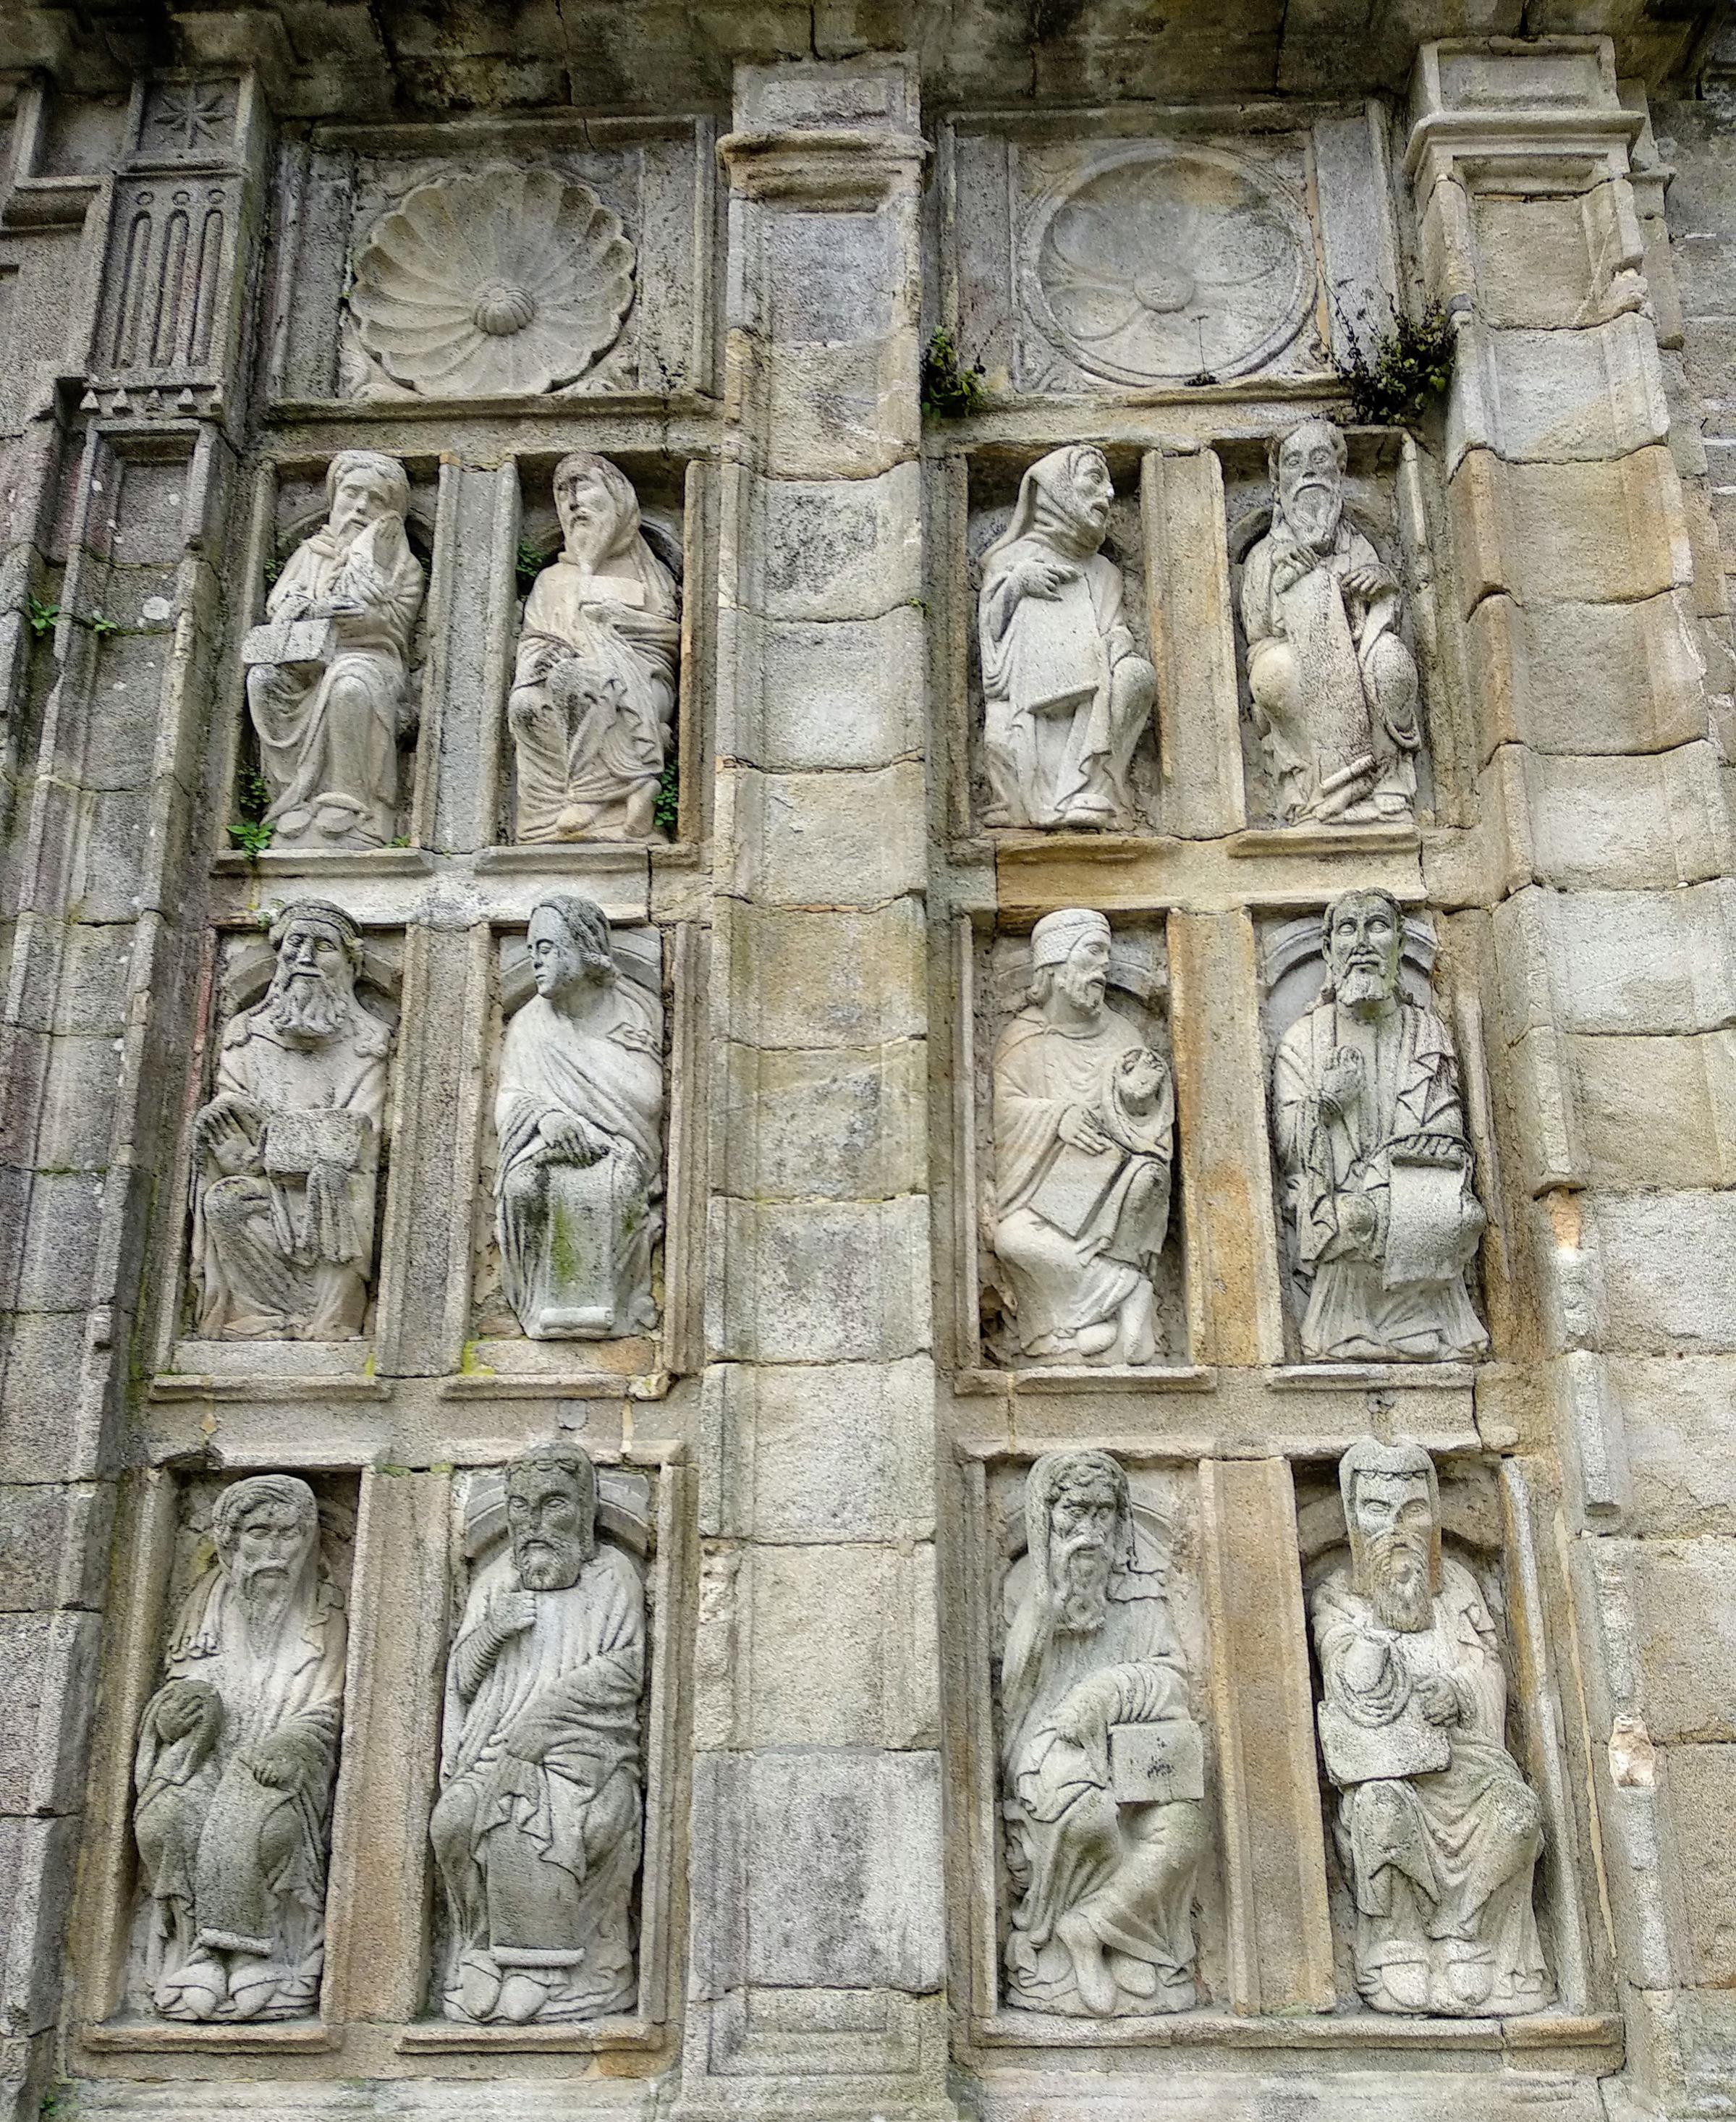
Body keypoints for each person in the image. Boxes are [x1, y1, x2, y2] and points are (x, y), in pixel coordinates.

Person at [1312, 1437, 1550, 2016]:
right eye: (1377, 1510)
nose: (1397, 1528)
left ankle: (1465, 1932)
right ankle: (1396, 1942)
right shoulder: (1339, 1594)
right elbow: (1344, 1673)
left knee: (1518, 1814)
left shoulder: (1459, 1588)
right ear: (1353, 1516)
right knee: (1381, 1809)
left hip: (1467, 1764)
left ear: (1433, 1514)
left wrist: (1460, 1691)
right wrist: (1378, 1628)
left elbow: (1485, 1668)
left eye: (1413, 1509)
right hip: (1389, 1769)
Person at [431, 1442, 645, 2024]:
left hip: (583, 1750)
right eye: (522, 1508)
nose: (536, 1524)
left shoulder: (612, 1576)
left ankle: (541, 1965)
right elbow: (462, 1678)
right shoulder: (497, 1580)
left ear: (583, 1509)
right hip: (495, 1745)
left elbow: (624, 1669)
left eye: (554, 1505)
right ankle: (482, 1948)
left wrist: (547, 1717)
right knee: (452, 1821)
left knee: (523, 1817)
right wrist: (492, 1632)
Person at [132, 1475, 346, 2022]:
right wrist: (171, 1716)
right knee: (164, 1818)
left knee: (256, 1817)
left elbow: (329, 1708)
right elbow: (178, 1689)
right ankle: (198, 1950)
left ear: (308, 1540)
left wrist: (292, 1743)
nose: (274, 1550)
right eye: (259, 1533)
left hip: (281, 1769)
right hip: (207, 1758)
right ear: (230, 1542)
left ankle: (251, 1953)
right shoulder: (202, 1610)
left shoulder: (325, 1617)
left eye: (288, 1534)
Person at [1001, 1450, 1205, 2017]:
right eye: (1074, 1511)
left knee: (1183, 1827)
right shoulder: (1025, 1591)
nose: (1088, 1529)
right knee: (1090, 1815)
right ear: (1048, 1517)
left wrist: (1111, 1690)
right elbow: (1013, 1694)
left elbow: (1171, 1677)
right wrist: (1047, 1607)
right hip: (1050, 1745)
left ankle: (1101, 1929)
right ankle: (1058, 1942)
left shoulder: (1141, 1594)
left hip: (1130, 1748)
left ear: (1119, 1522)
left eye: (1101, 1513)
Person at [1272, 888, 1487, 1361]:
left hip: (1409, 1183)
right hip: (1335, 1192)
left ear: (1399, 943)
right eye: (1348, 929)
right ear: (1329, 949)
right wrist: (1328, 1100)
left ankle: (1417, 1317)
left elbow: (1447, 1116)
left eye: (1377, 926)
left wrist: (1433, 1144)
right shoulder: (1303, 1038)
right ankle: (1347, 1327)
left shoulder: (1426, 1030)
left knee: (1465, 1217)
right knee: (1357, 1216)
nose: (1362, 943)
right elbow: (1287, 1143)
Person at [190, 900, 391, 1340]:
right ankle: (258, 1313)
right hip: (265, 1189)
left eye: (323, 946)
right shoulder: (245, 1037)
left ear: (350, 964)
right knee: (224, 1202)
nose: (306, 958)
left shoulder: (368, 1042)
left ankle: (331, 1317)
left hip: (334, 1188)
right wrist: (230, 1144)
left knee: (335, 1188)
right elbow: (232, 1127)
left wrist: (270, 1146)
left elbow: (358, 1136)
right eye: (296, 944)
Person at [990, 908, 1172, 1364]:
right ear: (1054, 966)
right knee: (1012, 1239)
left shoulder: (1123, 1034)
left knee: (1147, 1183)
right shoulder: (1023, 1038)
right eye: (1092, 953)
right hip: (1045, 1192)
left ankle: (1073, 1334)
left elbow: (1150, 1120)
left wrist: (1138, 1100)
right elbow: (1005, 1110)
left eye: (1106, 955)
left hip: (1111, 1187)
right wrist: (1058, 1117)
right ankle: (1122, 1295)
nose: (1103, 967)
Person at [494, 895, 664, 1340]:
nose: (536, 961)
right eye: (531, 950)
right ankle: (538, 1302)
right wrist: (546, 1118)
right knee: (520, 1187)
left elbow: (646, 1099)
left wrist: (592, 1129)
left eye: (547, 948)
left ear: (584, 949)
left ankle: (606, 1303)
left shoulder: (634, 1012)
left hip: (619, 1148)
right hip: (544, 1147)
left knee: (616, 1183)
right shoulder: (529, 1024)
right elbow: (510, 1097)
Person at [1240, 418, 1421, 825]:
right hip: (1296, 661)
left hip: (1357, 655)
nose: (1308, 471)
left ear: (1338, 473)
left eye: (1319, 459)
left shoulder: (1357, 544)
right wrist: (1281, 578)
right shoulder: (1266, 553)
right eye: (1294, 462)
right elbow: (1256, 628)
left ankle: (1382, 776)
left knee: (1391, 660)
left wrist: (1382, 585)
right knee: (1275, 671)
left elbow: (1386, 612)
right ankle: (1316, 785)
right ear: (1278, 482)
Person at [245, 449, 424, 848]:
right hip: (305, 658)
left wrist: (361, 613)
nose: (361, 506)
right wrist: (314, 609)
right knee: (263, 680)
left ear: (390, 514)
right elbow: (280, 604)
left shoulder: (401, 566)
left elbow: (395, 621)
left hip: (371, 659)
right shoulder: (311, 553)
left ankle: (350, 801)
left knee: (348, 683)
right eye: (352, 493)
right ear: (335, 497)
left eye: (376, 500)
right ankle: (292, 799)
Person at [978, 445, 1156, 829]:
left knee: (1136, 675)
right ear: (1057, 487)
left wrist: (1118, 643)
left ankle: (1095, 787)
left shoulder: (1105, 572)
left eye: (1109, 483)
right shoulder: (1010, 559)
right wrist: (1017, 585)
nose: (1109, 493)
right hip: (1028, 699)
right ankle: (1031, 801)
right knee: (1003, 736)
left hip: (1092, 692)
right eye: (1095, 479)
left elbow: (1115, 626)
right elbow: (990, 640)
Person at [508, 452, 681, 842]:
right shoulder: (552, 580)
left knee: (579, 681)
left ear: (616, 497)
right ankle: (625, 790)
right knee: (525, 705)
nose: (573, 503)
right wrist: (545, 657)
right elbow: (534, 640)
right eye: (563, 493)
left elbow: (667, 640)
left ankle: (591, 797)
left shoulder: (649, 572)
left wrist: (616, 625)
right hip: (563, 680)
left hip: (642, 682)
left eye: (582, 487)